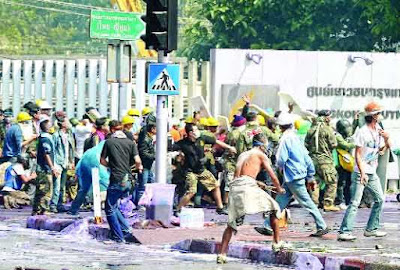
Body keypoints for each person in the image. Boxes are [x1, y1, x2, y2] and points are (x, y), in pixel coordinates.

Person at [254, 112, 329, 238]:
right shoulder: (297, 138)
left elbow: (281, 159)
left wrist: (279, 168)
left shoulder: (285, 139)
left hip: (292, 176)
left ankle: (322, 225)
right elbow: (307, 158)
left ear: (280, 127)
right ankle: (267, 225)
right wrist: (310, 175)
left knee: (306, 202)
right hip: (296, 175)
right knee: (280, 202)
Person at [217, 133, 286, 264]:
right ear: (262, 145)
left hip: (236, 186)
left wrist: (256, 183)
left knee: (231, 223)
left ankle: (222, 254)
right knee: (275, 209)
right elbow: (273, 175)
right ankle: (276, 242)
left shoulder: (243, 154)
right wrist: (279, 188)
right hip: (246, 186)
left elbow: (240, 177)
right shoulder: (261, 155)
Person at [338, 102, 390, 241]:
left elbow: (385, 149)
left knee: (380, 199)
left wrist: (386, 138)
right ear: (373, 116)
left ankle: (371, 229)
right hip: (361, 172)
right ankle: (344, 231)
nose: (380, 116)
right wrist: (362, 173)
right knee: (355, 202)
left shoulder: (378, 129)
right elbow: (358, 155)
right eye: (378, 113)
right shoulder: (362, 132)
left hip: (371, 171)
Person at [172, 123, 236, 214]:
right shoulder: (183, 143)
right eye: (195, 130)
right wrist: (179, 156)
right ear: (190, 133)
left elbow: (216, 141)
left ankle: (220, 208)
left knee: (215, 186)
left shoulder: (202, 139)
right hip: (190, 171)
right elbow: (173, 149)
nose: (198, 132)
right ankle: (178, 209)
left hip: (201, 170)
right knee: (192, 191)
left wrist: (229, 147)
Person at [100, 120, 143, 243]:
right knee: (114, 206)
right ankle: (126, 229)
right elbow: (138, 161)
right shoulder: (130, 143)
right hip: (128, 180)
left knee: (109, 208)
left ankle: (118, 237)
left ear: (112, 130)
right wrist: (134, 168)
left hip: (116, 178)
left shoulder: (109, 142)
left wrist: (111, 166)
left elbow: (102, 160)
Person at [305, 110, 339, 211]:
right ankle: (328, 204)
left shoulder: (311, 128)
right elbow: (334, 144)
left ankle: (314, 204)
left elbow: (306, 144)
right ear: (326, 117)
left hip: (312, 160)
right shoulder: (327, 129)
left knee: (315, 182)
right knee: (332, 181)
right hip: (325, 160)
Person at [68, 141, 110, 216]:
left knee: (84, 189)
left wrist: (77, 172)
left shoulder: (92, 150)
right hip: (96, 163)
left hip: (85, 164)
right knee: (110, 185)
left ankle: (73, 209)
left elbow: (81, 161)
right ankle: (109, 208)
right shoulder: (109, 145)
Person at [32, 116, 60, 216]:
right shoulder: (45, 139)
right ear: (46, 127)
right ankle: (43, 210)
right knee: (46, 190)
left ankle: (36, 210)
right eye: (50, 125)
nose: (51, 126)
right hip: (44, 169)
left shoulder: (43, 137)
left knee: (40, 190)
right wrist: (52, 167)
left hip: (42, 168)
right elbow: (47, 154)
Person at [50, 115, 75, 213]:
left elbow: (71, 150)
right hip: (58, 163)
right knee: (56, 186)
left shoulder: (69, 135)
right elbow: (53, 151)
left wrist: (71, 161)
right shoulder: (56, 135)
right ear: (63, 124)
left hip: (65, 163)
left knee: (62, 186)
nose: (69, 124)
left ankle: (59, 204)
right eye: (67, 122)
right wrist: (53, 165)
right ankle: (53, 205)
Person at [222, 115, 246, 205]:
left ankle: (228, 202)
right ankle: (226, 203)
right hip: (232, 162)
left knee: (230, 183)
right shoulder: (236, 134)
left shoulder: (232, 133)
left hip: (233, 161)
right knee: (230, 183)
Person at [335, 119, 356, 209]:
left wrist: (355, 120)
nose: (348, 129)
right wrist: (355, 144)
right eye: (346, 127)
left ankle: (348, 200)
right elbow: (345, 145)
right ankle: (341, 201)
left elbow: (353, 129)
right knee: (341, 183)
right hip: (340, 163)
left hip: (348, 163)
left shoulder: (348, 137)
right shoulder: (338, 136)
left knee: (349, 182)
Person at [135, 123, 156, 206]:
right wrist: (154, 156)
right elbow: (143, 153)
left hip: (147, 165)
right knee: (142, 186)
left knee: (150, 183)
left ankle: (146, 202)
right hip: (144, 165)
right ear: (152, 129)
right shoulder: (145, 139)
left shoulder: (149, 138)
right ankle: (140, 205)